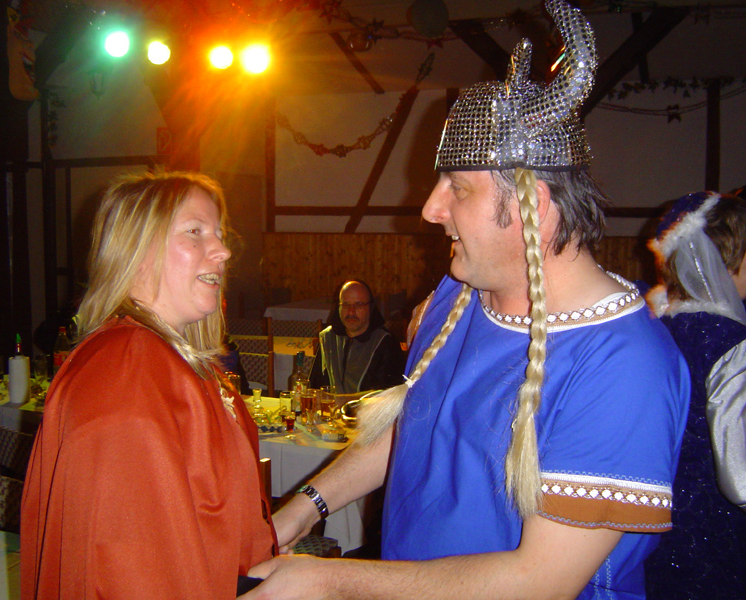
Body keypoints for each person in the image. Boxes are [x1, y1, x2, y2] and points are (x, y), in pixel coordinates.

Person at [242, 2, 689, 599]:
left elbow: (540, 581)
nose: (430, 208)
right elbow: (414, 427)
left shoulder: (624, 364)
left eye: (458, 188)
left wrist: (327, 580)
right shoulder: (458, 295)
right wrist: (304, 507)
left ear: (535, 207)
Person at [21, 172, 277, 598]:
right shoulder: (129, 370)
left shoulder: (171, 362)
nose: (223, 251)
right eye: (195, 231)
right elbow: (127, 566)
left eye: (218, 234)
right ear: (137, 251)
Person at [644, 191, 746, 599]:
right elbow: (740, 477)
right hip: (715, 532)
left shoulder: (654, 327)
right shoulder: (730, 343)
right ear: (728, 257)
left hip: (654, 523)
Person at [308, 280, 406, 394]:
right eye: (346, 305)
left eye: (358, 305)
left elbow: (387, 395)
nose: (351, 312)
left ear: (370, 308)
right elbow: (315, 386)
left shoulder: (385, 343)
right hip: (330, 406)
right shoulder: (328, 338)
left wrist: (343, 401)